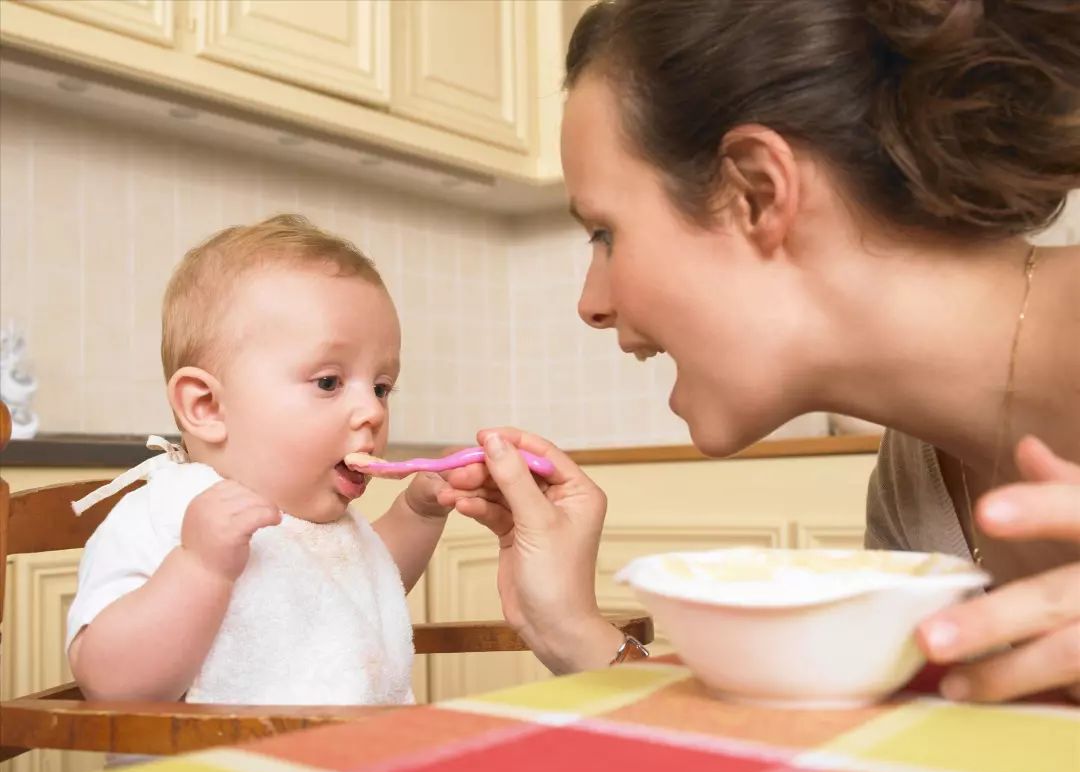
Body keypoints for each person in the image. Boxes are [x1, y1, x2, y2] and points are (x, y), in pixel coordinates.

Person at [437, 0, 1080, 703]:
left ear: (756, 191)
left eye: (606, 234)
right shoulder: (918, 473)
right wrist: (565, 627)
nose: (591, 304)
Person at [67, 214, 462, 706]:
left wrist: (418, 513)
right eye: (329, 382)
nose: (373, 411)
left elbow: (364, 591)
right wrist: (202, 567)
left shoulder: (322, 520)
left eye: (382, 387)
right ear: (207, 407)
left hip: (351, 768)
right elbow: (111, 686)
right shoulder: (164, 513)